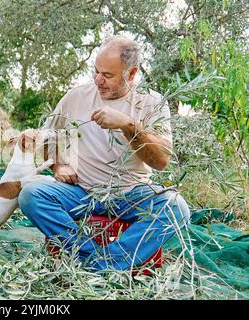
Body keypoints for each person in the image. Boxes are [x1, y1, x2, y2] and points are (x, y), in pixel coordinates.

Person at [18, 35, 191, 272]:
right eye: (96, 71)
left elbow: (160, 161)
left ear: (131, 74)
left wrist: (129, 125)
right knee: (30, 194)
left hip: (131, 192)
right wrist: (58, 166)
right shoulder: (76, 96)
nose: (98, 80)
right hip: (81, 190)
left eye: (107, 75)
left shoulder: (152, 103)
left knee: (176, 208)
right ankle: (91, 259)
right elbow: (47, 136)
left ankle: (101, 265)